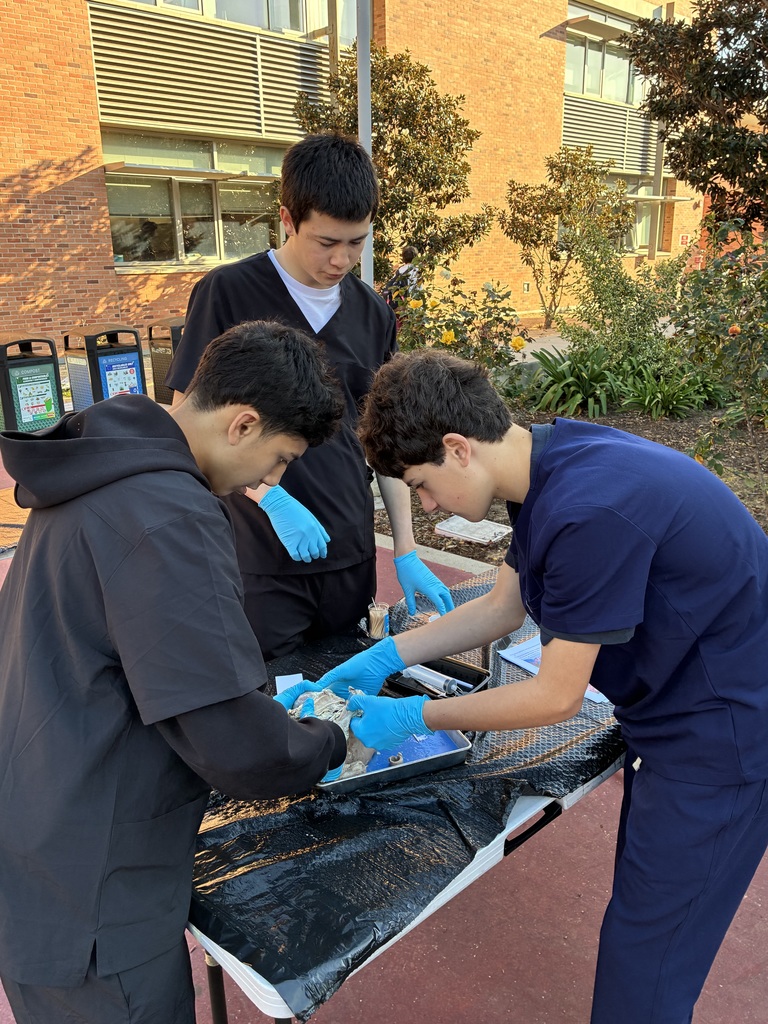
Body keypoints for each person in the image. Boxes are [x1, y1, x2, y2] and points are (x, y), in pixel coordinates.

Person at [313, 349, 768, 1024]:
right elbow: (503, 607)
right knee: (646, 915)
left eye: (423, 485)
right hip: (681, 709)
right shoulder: (554, 462)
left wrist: (415, 715)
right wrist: (383, 655)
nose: (429, 509)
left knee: (650, 951)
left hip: (722, 736)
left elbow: (555, 697)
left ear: (457, 448)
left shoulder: (589, 512)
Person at [0, 321, 350, 1024]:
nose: (268, 481)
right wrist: (332, 739)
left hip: (38, 837)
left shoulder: (100, 462)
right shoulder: (169, 511)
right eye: (279, 459)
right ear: (242, 422)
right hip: (98, 895)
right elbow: (236, 745)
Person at [166, 134, 452, 661]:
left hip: (348, 546)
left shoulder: (373, 314)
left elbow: (380, 441)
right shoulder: (228, 293)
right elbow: (185, 427)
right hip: (257, 551)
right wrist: (267, 497)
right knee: (270, 695)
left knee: (341, 692)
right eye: (326, 242)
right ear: (288, 219)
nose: (342, 259)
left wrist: (407, 548)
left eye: (358, 241)